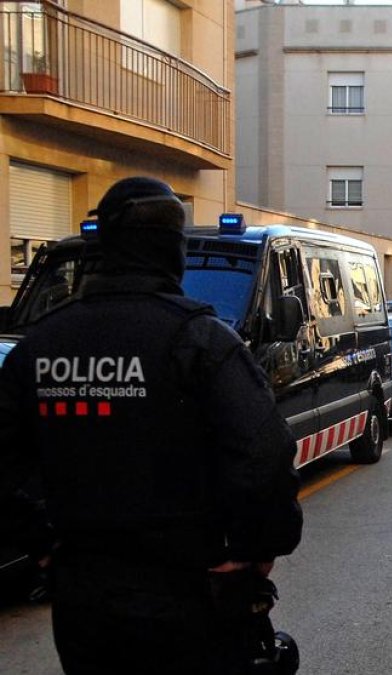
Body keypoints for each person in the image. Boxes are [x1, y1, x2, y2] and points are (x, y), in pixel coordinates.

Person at [0, 176, 303, 674]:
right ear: (172, 251)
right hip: (187, 592)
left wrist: (40, 543)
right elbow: (264, 452)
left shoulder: (39, 346)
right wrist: (258, 546)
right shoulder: (200, 341)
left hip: (83, 599)